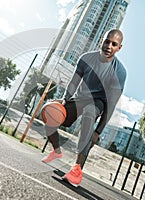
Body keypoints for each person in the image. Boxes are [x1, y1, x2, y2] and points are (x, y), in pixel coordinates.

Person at [41, 29, 127, 187]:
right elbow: (74, 82)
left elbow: (112, 103)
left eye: (114, 44)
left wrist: (97, 131)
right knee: (50, 111)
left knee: (89, 113)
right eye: (107, 41)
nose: (109, 46)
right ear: (102, 40)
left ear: (119, 48)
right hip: (79, 98)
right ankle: (56, 151)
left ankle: (77, 169)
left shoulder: (119, 72)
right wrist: (65, 100)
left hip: (97, 102)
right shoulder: (86, 58)